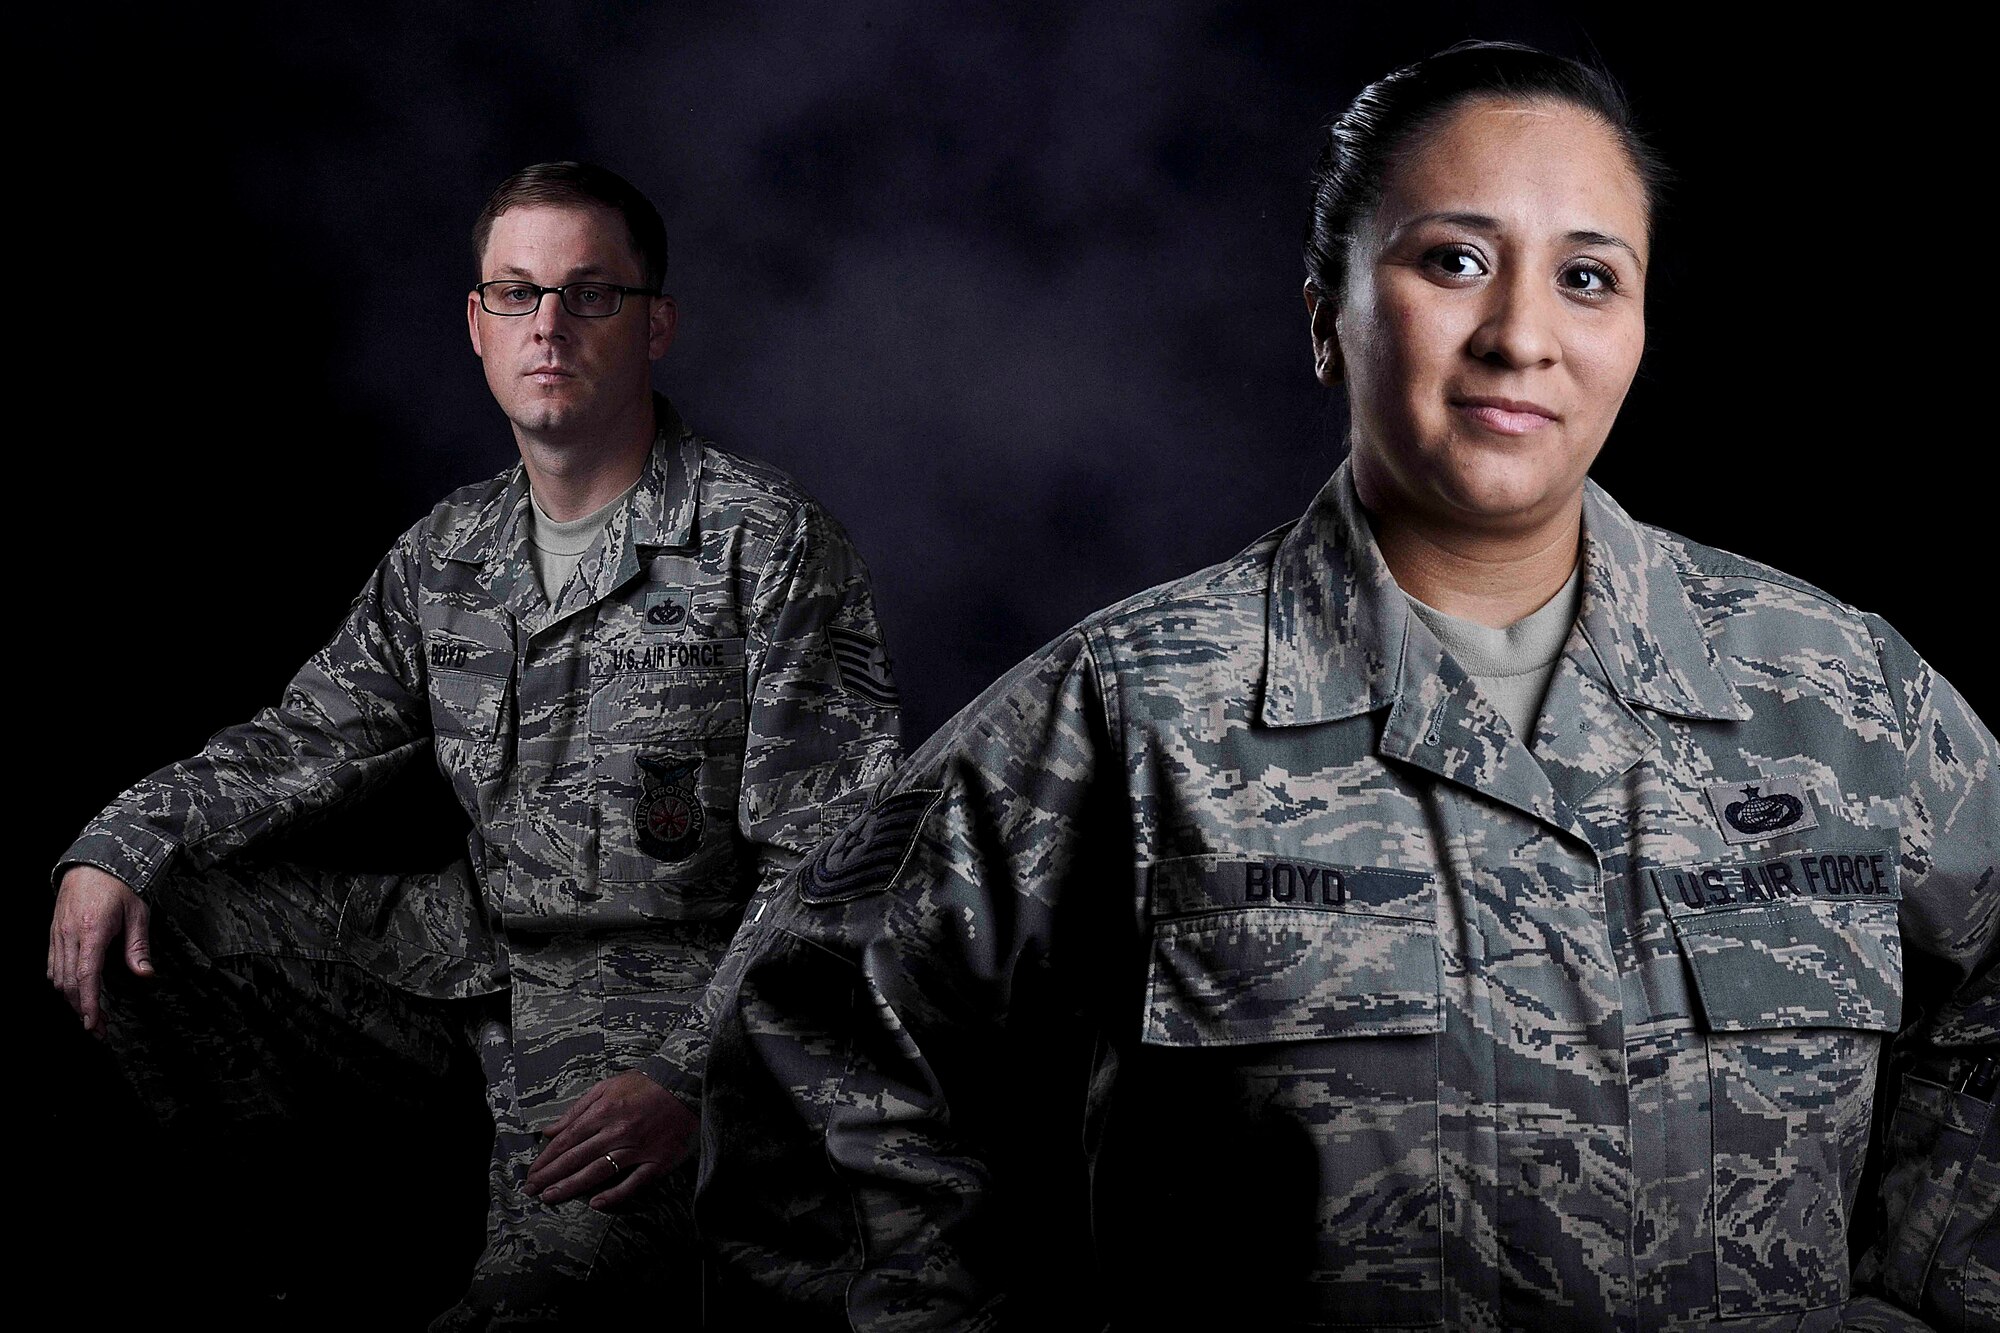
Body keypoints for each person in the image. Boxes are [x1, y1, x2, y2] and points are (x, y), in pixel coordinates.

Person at [689, 43, 1997, 1331]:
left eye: (1589, 277)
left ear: (1641, 328)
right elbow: (814, 1049)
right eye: (1454, 261)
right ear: (1328, 315)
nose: (1520, 336)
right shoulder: (1134, 714)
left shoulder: (1846, 700)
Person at [46, 161, 903, 1326]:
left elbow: (834, 862)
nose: (547, 324)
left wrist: (692, 1076)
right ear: (477, 323)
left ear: (656, 324)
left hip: (658, 997)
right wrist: (117, 839)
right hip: (473, 953)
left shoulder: (767, 542)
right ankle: (311, 1253)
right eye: (516, 293)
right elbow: (307, 739)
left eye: (589, 294)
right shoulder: (446, 553)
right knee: (154, 925)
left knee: (532, 1308)